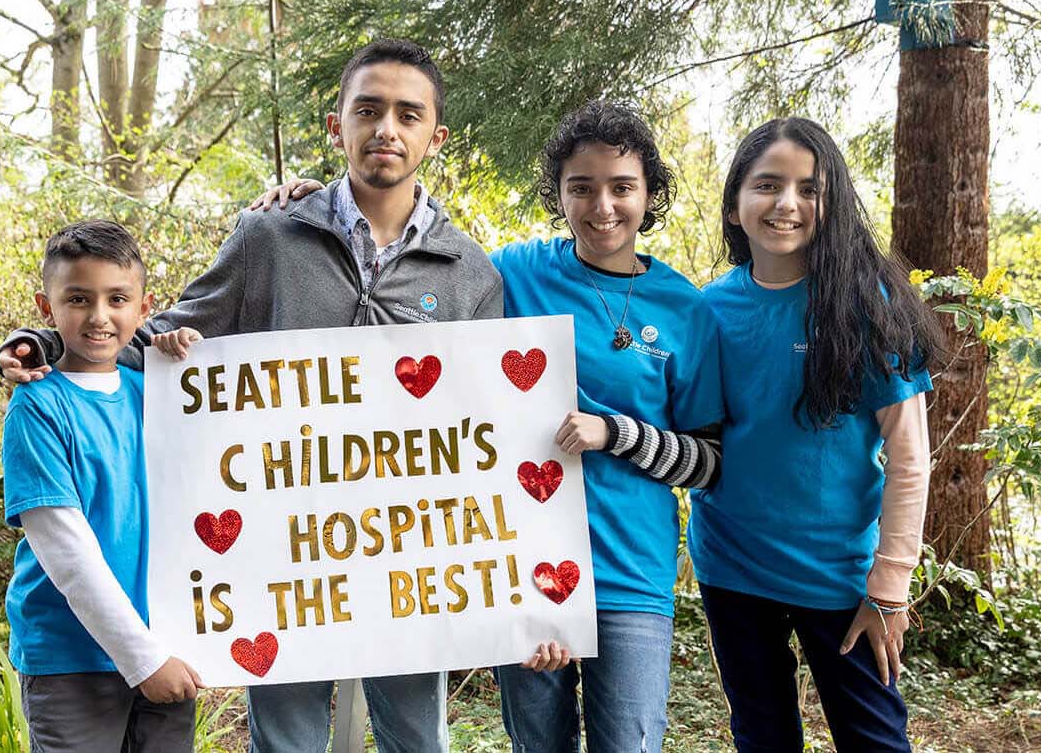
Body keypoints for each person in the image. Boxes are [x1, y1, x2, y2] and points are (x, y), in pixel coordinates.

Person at [0, 40, 501, 753]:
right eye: (369, 109)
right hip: (283, 559)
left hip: (404, 558)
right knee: (286, 742)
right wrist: (43, 344)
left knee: (418, 740)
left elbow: (491, 431)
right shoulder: (269, 238)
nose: (387, 127)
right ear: (337, 126)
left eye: (407, 114)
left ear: (433, 136)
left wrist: (525, 607)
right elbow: (149, 338)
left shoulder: (469, 272)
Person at [251, 99, 724, 753]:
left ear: (650, 194)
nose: (602, 206)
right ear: (558, 194)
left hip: (630, 579)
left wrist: (616, 434)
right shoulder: (511, 271)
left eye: (622, 188)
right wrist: (310, 203)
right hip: (518, 568)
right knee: (537, 744)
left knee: (631, 743)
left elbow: (709, 462)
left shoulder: (685, 309)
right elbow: (413, 250)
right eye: (581, 188)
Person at [692, 117, 942, 751]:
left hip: (841, 582)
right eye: (768, 184)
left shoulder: (868, 302)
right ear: (735, 201)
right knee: (762, 735)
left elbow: (910, 459)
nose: (787, 204)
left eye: (810, 188)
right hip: (731, 568)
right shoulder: (708, 308)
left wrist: (889, 586)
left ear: (832, 203)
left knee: (875, 740)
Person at [2, 219, 203, 751]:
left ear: (144, 307)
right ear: (46, 309)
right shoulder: (38, 406)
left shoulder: (159, 392)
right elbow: (66, 554)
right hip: (73, 658)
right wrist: (143, 659)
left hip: (169, 640)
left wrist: (192, 361)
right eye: (77, 299)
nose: (99, 316)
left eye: (117, 299)